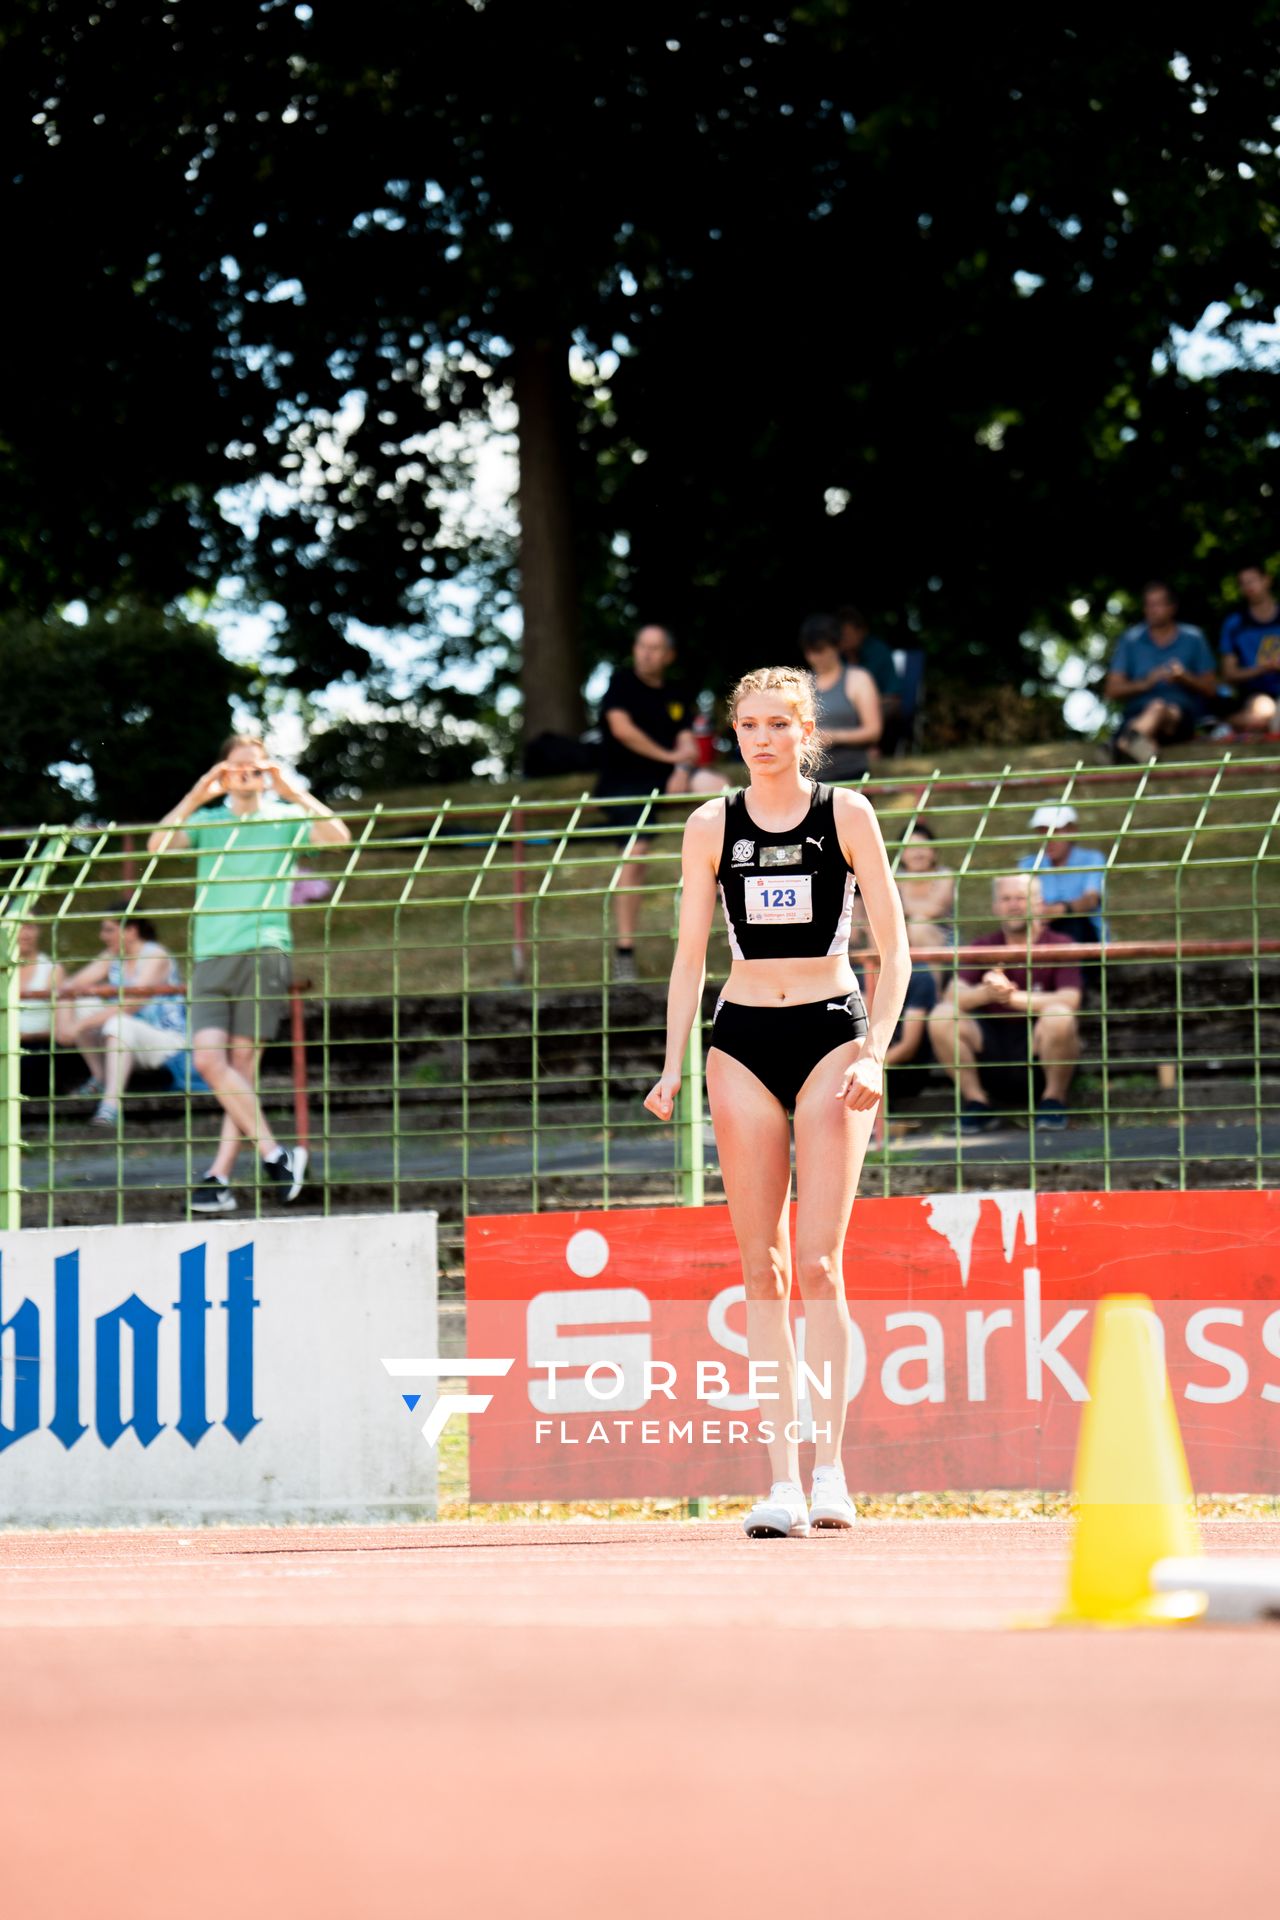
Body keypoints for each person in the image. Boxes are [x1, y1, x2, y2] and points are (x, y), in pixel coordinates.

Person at [643, 665, 910, 1540]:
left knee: (823, 1264)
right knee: (764, 1268)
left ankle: (832, 1470)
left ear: (806, 732)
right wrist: (674, 1064)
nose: (761, 739)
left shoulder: (848, 816)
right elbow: (688, 954)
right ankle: (781, 1481)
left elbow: (896, 954)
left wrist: (875, 1052)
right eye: (747, 726)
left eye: (777, 724)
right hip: (743, 1039)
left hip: (834, 1033)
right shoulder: (709, 824)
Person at [148, 735, 350, 1214]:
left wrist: (293, 789)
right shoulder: (208, 821)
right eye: (236, 767)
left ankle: (218, 1177)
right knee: (209, 1063)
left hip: (263, 950)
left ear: (267, 770)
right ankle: (276, 1156)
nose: (246, 775)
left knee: (240, 1070)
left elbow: (338, 838)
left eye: (255, 767)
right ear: (223, 771)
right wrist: (200, 792)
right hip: (211, 956)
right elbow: (157, 846)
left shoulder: (284, 818)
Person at [595, 624, 724, 982]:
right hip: (623, 783)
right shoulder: (621, 684)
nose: (647, 653)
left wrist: (682, 767)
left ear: (668, 656)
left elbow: (687, 746)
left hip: (667, 778)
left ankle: (724, 873)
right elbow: (622, 730)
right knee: (635, 857)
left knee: (722, 789)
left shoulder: (676, 692)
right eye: (642, 646)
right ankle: (624, 951)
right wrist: (671, 760)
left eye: (655, 648)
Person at [927, 872, 1082, 1134]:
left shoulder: (1060, 944)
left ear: (1039, 904)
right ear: (995, 906)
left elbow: (1070, 999)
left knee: (1059, 1015)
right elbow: (952, 994)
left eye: (1021, 898)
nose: (1013, 905)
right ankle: (977, 1103)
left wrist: (1011, 997)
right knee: (942, 1015)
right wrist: (987, 993)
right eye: (1006, 898)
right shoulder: (983, 946)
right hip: (991, 1047)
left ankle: (1053, 1101)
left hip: (1038, 1047)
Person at [59, 908, 187, 1127]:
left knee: (120, 1022)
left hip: (165, 1041)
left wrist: (78, 1026)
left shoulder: (155, 955)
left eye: (109, 930)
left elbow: (131, 1004)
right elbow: (69, 987)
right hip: (122, 1038)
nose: (102, 936)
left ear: (131, 931)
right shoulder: (113, 956)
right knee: (83, 1003)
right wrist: (64, 1029)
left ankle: (111, 1105)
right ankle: (100, 1076)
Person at [1105, 582, 1218, 763]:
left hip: (1179, 719)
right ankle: (1142, 748)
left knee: (1159, 708)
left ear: (1172, 607)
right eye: (1148, 605)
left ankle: (1122, 743)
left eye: (1158, 604)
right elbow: (1111, 690)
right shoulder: (1131, 639)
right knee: (1154, 709)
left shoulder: (1194, 638)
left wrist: (1185, 678)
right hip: (1137, 714)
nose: (1152, 610)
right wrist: (1145, 683)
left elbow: (1211, 689)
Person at [799, 613, 881, 781]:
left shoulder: (859, 679)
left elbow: (873, 730)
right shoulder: (802, 683)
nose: (814, 657)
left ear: (836, 646)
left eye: (820, 650)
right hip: (807, 778)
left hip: (849, 774)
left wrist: (833, 737)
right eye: (810, 652)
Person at [1017, 806, 1107, 944]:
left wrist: (1059, 910)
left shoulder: (1091, 859)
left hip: (1084, 934)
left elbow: (1091, 899)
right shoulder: (1029, 864)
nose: (1048, 839)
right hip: (1042, 931)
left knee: (1074, 923)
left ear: (1072, 832)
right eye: (1043, 832)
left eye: (1055, 832)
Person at [1219, 562, 1280, 735]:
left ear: (1266, 580)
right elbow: (1229, 674)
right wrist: (1261, 669)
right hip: (1255, 694)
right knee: (1264, 714)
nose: (1248, 587)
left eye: (1252, 581)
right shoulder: (1235, 624)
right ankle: (1224, 722)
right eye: (1243, 583)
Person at [14, 921, 72, 1097]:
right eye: (19, 926)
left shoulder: (52, 970)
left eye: (30, 926)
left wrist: (25, 1036)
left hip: (39, 1045)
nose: (25, 933)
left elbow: (62, 1027)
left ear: (39, 930)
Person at [894, 821, 955, 957]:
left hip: (943, 943)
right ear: (901, 854)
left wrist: (901, 909)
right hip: (902, 939)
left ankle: (935, 979)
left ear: (934, 851)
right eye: (910, 848)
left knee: (918, 926)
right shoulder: (895, 878)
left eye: (922, 846)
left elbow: (934, 909)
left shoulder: (944, 875)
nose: (917, 853)